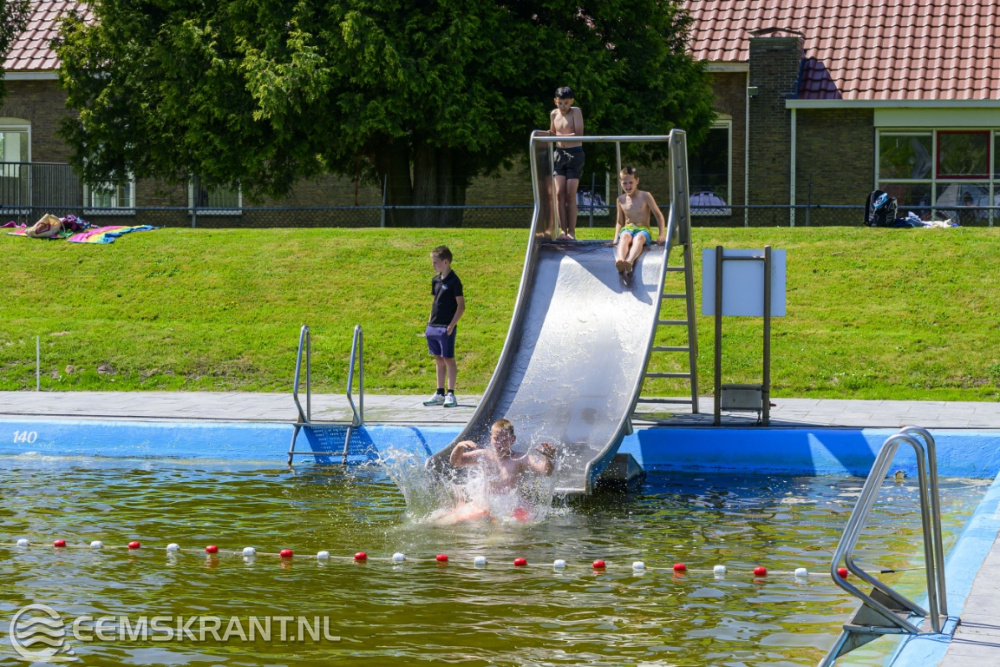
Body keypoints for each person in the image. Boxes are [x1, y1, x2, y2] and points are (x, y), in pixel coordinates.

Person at [449, 419, 556, 495]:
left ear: (512, 440)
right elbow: (456, 462)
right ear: (491, 439)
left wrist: (548, 457)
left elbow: (546, 472)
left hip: (510, 506)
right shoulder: (484, 455)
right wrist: (459, 447)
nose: (500, 443)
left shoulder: (520, 458)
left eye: (505, 439)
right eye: (496, 439)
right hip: (489, 505)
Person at [423, 246, 465, 408]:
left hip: (446, 327)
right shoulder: (435, 280)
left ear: (446, 262)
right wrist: (429, 323)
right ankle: (440, 392)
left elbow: (461, 306)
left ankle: (451, 393)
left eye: (436, 262)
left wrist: (451, 325)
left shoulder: (454, 281)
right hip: (433, 326)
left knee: (448, 359)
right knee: (438, 358)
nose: (433, 265)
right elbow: (435, 303)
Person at [547, 86, 585, 241]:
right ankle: (563, 231)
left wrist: (559, 136)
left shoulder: (575, 112)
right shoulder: (554, 114)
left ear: (572, 101)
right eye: (560, 103)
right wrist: (540, 135)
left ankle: (572, 232)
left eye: (566, 103)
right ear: (555, 101)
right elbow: (552, 132)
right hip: (559, 154)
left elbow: (579, 133)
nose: (563, 107)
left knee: (570, 194)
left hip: (575, 154)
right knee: (559, 194)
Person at [613, 166, 666, 275]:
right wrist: (615, 238)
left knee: (639, 238)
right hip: (628, 228)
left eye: (630, 182)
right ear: (620, 182)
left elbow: (659, 216)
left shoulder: (645, 196)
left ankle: (629, 261)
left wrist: (661, 234)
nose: (628, 186)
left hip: (643, 229)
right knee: (624, 236)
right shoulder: (620, 199)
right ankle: (620, 260)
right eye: (624, 183)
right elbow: (619, 222)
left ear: (637, 181)